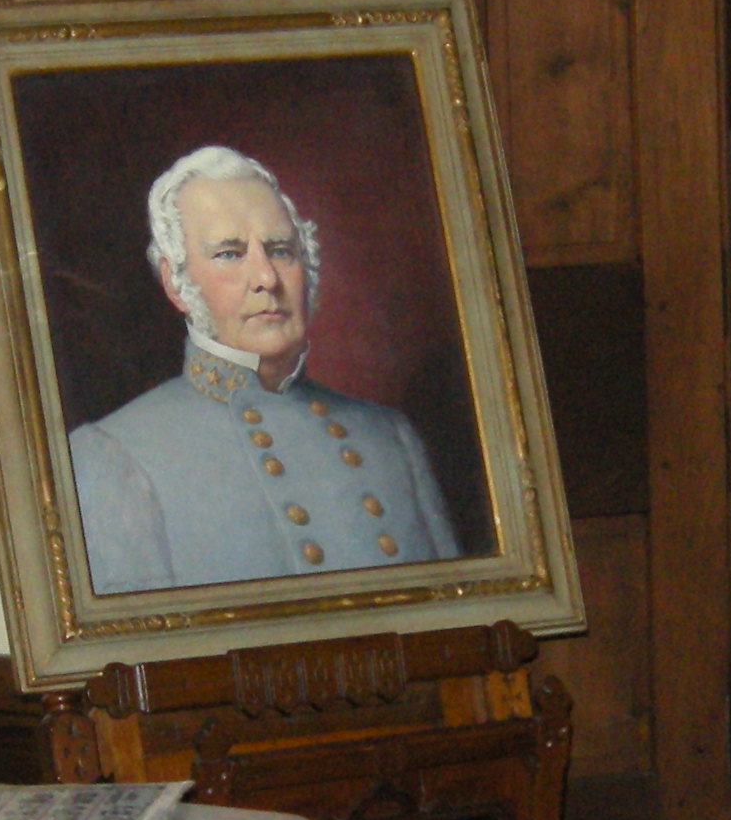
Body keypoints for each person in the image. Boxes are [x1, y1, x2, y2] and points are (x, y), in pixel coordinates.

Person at [66, 144, 465, 594]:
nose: (267, 278)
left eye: (280, 250)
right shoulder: (111, 455)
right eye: (230, 254)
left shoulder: (390, 438)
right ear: (176, 283)